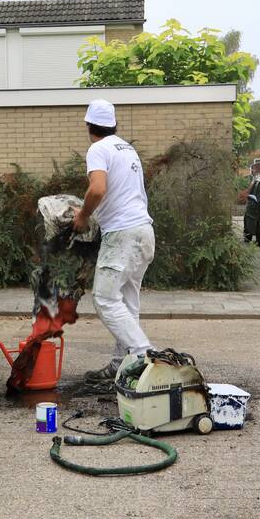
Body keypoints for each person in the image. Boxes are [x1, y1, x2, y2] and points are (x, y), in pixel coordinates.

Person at [71, 99, 155, 385]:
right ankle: (122, 365)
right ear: (113, 124)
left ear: (89, 125)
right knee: (128, 302)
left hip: (122, 235)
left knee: (105, 298)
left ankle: (145, 355)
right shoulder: (126, 148)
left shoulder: (98, 148)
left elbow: (98, 188)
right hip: (144, 233)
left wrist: (82, 216)